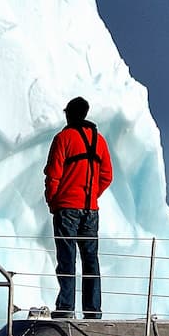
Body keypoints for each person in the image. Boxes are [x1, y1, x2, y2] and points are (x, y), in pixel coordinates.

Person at [43, 96, 113, 318]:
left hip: (67, 209)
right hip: (90, 211)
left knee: (67, 258)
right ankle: (93, 311)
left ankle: (65, 308)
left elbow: (53, 174)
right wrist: (93, 195)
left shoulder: (63, 138)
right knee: (91, 260)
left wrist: (53, 201)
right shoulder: (99, 141)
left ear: (70, 114)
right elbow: (107, 176)